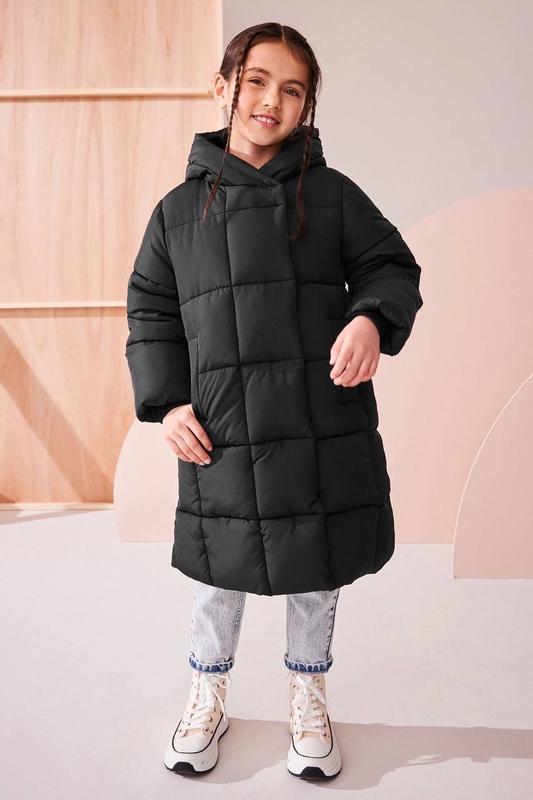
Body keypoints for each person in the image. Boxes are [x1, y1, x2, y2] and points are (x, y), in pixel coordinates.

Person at [125, 22, 423, 782]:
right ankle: (207, 696)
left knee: (315, 571)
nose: (271, 100)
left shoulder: (331, 195)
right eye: (256, 81)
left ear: (306, 106)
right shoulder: (176, 213)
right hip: (222, 429)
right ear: (222, 86)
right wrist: (168, 404)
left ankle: (308, 698)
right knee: (217, 574)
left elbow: (392, 267)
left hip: (319, 425)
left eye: (292, 90)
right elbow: (151, 312)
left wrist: (369, 318)